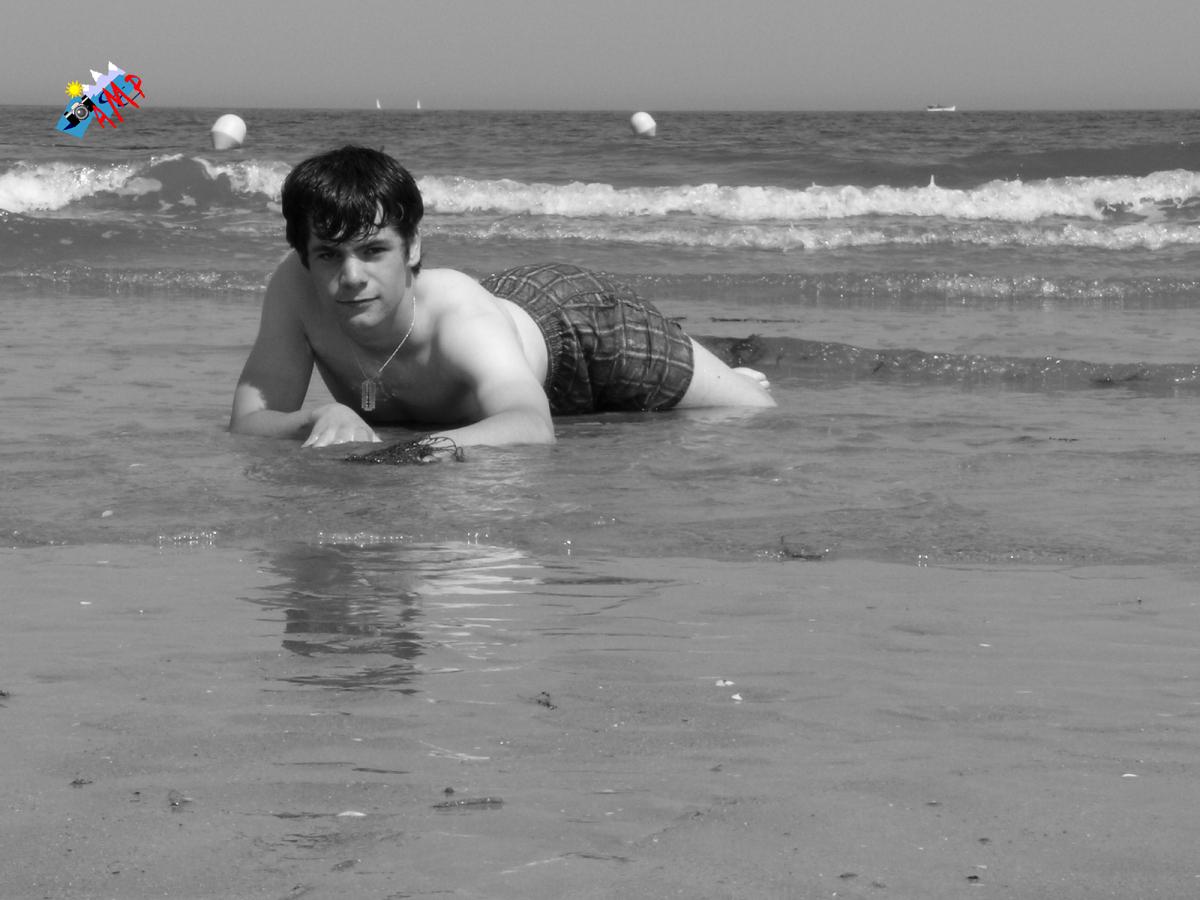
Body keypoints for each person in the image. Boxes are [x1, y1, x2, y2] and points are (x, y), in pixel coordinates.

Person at [229, 146, 774, 449]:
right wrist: (317, 418)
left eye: (374, 251)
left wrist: (419, 451)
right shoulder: (294, 288)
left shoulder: (459, 316)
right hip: (507, 342)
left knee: (750, 407)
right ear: (303, 253)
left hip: (583, 330)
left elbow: (532, 426)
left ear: (412, 247)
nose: (351, 276)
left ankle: (728, 365)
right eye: (329, 254)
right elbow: (249, 421)